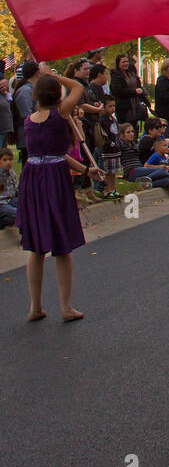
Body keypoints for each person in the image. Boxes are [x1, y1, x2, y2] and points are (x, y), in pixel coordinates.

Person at [17, 66, 88, 322]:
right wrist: (57, 76)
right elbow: (78, 87)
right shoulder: (60, 114)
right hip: (54, 180)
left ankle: (35, 306)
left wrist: (85, 169)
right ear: (57, 93)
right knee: (62, 247)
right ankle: (65, 306)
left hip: (33, 180)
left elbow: (52, 154)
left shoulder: (28, 121)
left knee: (35, 248)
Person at [117, 122, 169, 190]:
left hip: (140, 169)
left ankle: (144, 184)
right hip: (132, 171)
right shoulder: (122, 145)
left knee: (167, 180)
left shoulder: (133, 144)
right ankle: (143, 181)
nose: (131, 134)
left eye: (132, 131)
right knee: (163, 171)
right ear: (122, 135)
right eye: (128, 132)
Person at [110, 54, 147, 128]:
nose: (126, 64)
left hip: (135, 105)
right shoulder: (116, 76)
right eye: (123, 62)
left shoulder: (131, 74)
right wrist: (134, 91)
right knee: (126, 127)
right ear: (118, 64)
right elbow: (117, 91)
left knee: (134, 127)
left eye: (127, 61)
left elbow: (138, 85)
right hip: (124, 108)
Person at [13, 60, 39, 164]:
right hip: (29, 137)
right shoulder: (25, 91)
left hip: (36, 136)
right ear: (37, 72)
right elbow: (26, 116)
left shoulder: (33, 89)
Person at [97, 96, 122, 199]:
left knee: (114, 171)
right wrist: (110, 143)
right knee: (108, 172)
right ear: (103, 107)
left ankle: (113, 189)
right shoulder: (102, 120)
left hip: (115, 149)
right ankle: (107, 190)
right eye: (110, 106)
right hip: (107, 150)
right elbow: (103, 134)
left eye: (114, 106)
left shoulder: (113, 119)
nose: (113, 108)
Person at [0, 146, 18, 230]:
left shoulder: (12, 174)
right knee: (18, 213)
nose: (8, 162)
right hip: (1, 204)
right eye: (5, 160)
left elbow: (15, 192)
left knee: (27, 206)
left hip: (10, 200)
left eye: (10, 159)